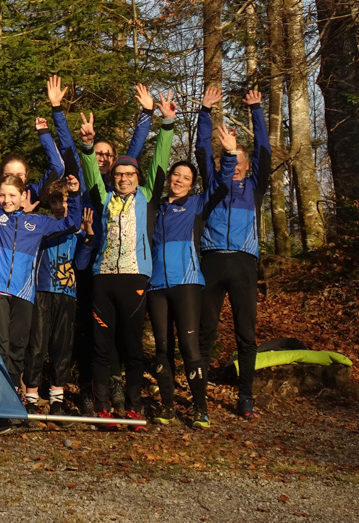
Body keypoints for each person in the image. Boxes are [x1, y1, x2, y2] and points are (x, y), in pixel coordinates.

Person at [78, 91, 175, 431]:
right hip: (103, 279)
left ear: (137, 177)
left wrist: (166, 123)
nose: (123, 178)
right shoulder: (103, 198)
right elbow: (91, 171)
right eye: (118, 174)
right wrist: (87, 145)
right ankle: (103, 408)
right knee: (101, 347)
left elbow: (160, 160)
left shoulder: (147, 196)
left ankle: (134, 408)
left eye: (129, 174)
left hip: (135, 278)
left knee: (132, 347)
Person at [0, 125, 80, 434]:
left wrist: (74, 194)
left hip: (24, 294)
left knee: (18, 350)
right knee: (0, 345)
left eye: (12, 195)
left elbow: (72, 222)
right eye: (2, 195)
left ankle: (8, 406)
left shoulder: (39, 222)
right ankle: (0, 409)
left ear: (24, 196)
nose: (7, 200)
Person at [148, 123, 239, 429]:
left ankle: (200, 408)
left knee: (189, 347)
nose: (180, 180)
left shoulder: (198, 204)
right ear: (169, 178)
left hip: (186, 283)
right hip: (156, 286)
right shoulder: (155, 207)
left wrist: (229, 155)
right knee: (162, 348)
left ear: (192, 184)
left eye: (186, 178)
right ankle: (166, 406)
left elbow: (222, 184)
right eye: (176, 175)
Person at [197, 88, 272, 420]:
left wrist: (256, 110)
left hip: (243, 263)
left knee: (246, 333)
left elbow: (264, 151)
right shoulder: (214, 184)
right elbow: (201, 148)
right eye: (231, 161)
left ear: (247, 165)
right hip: (212, 260)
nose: (236, 167)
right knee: (205, 330)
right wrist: (205, 111)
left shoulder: (254, 188)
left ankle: (245, 396)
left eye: (241, 162)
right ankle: (198, 395)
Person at [25, 179, 96, 428]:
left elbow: (82, 264)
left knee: (61, 348)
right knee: (37, 345)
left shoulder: (77, 230)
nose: (59, 206)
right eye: (54, 201)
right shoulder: (43, 225)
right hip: (42, 292)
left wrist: (88, 236)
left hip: (67, 294)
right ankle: (30, 399)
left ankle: (57, 400)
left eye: (64, 201)